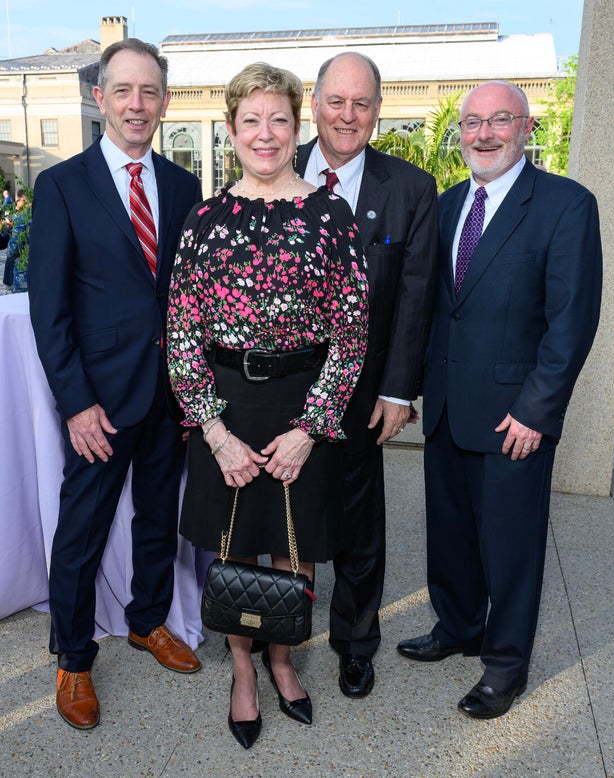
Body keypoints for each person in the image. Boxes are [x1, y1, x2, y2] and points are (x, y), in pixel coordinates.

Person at [167, 62, 368, 748]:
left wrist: (312, 427)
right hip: (224, 404)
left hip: (302, 403)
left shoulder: (329, 214)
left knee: (296, 547)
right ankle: (243, 670)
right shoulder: (204, 219)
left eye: (278, 118)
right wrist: (215, 432)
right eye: (250, 119)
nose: (265, 132)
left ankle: (284, 662)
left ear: (296, 126)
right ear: (230, 130)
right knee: (235, 548)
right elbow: (182, 331)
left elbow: (352, 331)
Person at [397, 81, 602, 719]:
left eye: (500, 120)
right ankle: (457, 626)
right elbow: (433, 309)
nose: (484, 133)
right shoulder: (449, 202)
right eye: (473, 122)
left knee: (511, 547)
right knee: (451, 532)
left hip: (516, 417)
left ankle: (505, 665)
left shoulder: (566, 205)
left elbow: (572, 321)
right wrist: (410, 392)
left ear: (526, 127)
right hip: (450, 407)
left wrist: (538, 410)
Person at [28, 38, 203, 731]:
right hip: (98, 400)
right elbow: (50, 308)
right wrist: (75, 404)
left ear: (163, 102)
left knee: (160, 517)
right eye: (123, 90)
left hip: (169, 395)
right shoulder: (63, 185)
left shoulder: (186, 186)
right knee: (83, 529)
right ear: (100, 99)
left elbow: (188, 296)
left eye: (150, 91)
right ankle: (73, 657)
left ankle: (148, 620)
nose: (137, 104)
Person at [295, 52, 438, 697]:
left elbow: (415, 297)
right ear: (315, 103)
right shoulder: (273, 166)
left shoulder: (409, 188)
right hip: (278, 388)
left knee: (358, 524)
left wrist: (398, 390)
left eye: (362, 104)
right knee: (282, 519)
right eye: (336, 101)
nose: (347, 116)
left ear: (377, 112)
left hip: (361, 393)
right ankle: (275, 633)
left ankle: (355, 643)